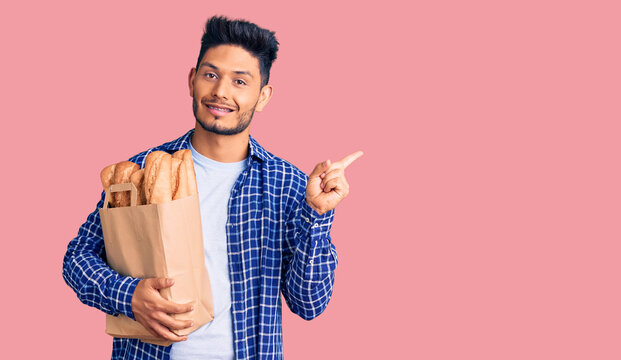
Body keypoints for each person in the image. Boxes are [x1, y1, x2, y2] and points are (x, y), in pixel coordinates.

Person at [62, 15, 362, 360]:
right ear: (192, 80)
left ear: (262, 97)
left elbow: (309, 303)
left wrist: (318, 215)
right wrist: (127, 295)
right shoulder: (140, 171)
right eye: (211, 75)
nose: (221, 91)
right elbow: (77, 257)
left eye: (239, 81)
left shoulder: (289, 185)